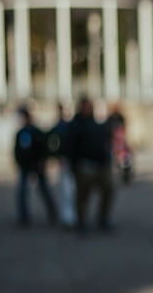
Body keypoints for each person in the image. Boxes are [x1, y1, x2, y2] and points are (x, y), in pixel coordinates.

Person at [63, 97, 115, 234]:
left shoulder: (96, 123)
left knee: (109, 189)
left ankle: (102, 218)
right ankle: (81, 222)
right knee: (83, 196)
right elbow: (69, 147)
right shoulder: (75, 125)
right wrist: (74, 165)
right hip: (84, 166)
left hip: (100, 165)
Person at [11, 105, 59, 226]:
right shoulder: (21, 132)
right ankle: (24, 217)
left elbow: (43, 148)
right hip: (25, 166)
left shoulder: (36, 132)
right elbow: (17, 150)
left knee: (43, 190)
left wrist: (42, 161)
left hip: (37, 165)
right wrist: (19, 162)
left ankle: (52, 212)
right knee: (23, 192)